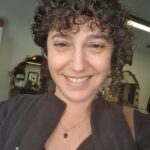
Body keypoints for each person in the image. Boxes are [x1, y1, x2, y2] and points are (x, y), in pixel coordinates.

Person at [0, 0, 150, 150]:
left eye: (96, 45)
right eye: (62, 44)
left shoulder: (140, 129)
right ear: (47, 51)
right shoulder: (8, 113)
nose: (78, 66)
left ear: (112, 55)